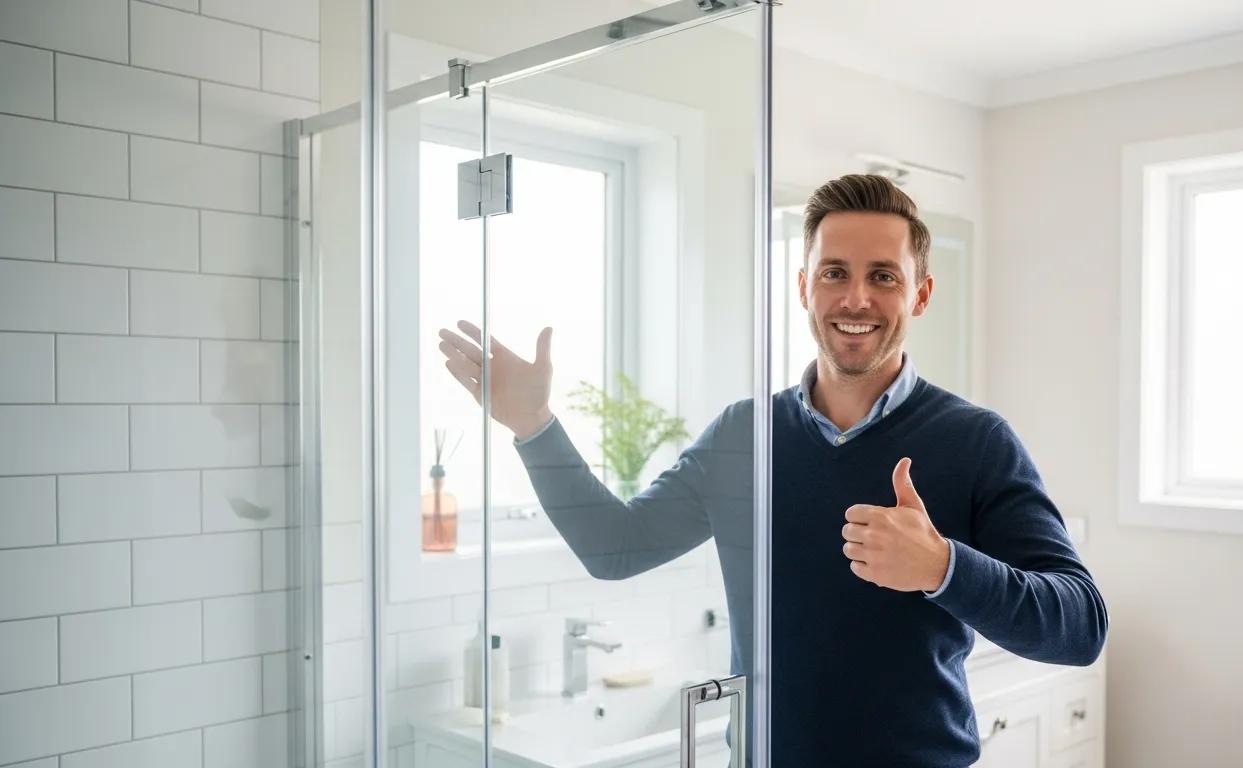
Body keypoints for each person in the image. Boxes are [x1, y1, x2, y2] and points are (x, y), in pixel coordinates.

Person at [437, 174, 1108, 766]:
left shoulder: (976, 441)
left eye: (883, 276)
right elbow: (617, 548)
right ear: (803, 286)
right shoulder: (744, 434)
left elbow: (1080, 627)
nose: (856, 299)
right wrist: (534, 426)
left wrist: (942, 568)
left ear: (921, 294)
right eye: (834, 272)